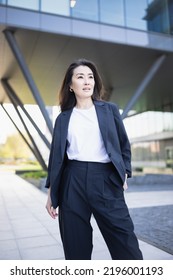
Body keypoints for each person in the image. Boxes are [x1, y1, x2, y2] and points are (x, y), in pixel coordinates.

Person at [45, 58, 143, 260]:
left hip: (106, 179)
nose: (87, 81)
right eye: (80, 77)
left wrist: (124, 172)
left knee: (125, 243)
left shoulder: (109, 110)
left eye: (90, 77)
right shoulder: (63, 119)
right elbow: (56, 158)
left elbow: (123, 145)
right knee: (75, 247)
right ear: (71, 86)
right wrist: (51, 193)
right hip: (72, 181)